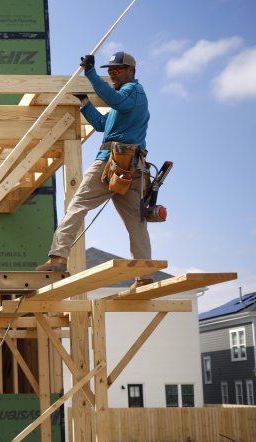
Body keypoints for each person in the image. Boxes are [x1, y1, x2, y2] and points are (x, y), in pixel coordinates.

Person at [36, 51, 152, 288]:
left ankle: (58, 256)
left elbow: (114, 99)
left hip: (113, 162)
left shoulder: (132, 92)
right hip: (131, 167)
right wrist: (85, 103)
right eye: (109, 72)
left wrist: (90, 73)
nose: (113, 76)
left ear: (131, 70)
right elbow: (101, 124)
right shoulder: (124, 103)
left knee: (78, 205)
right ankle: (144, 275)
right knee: (136, 222)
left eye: (117, 71)